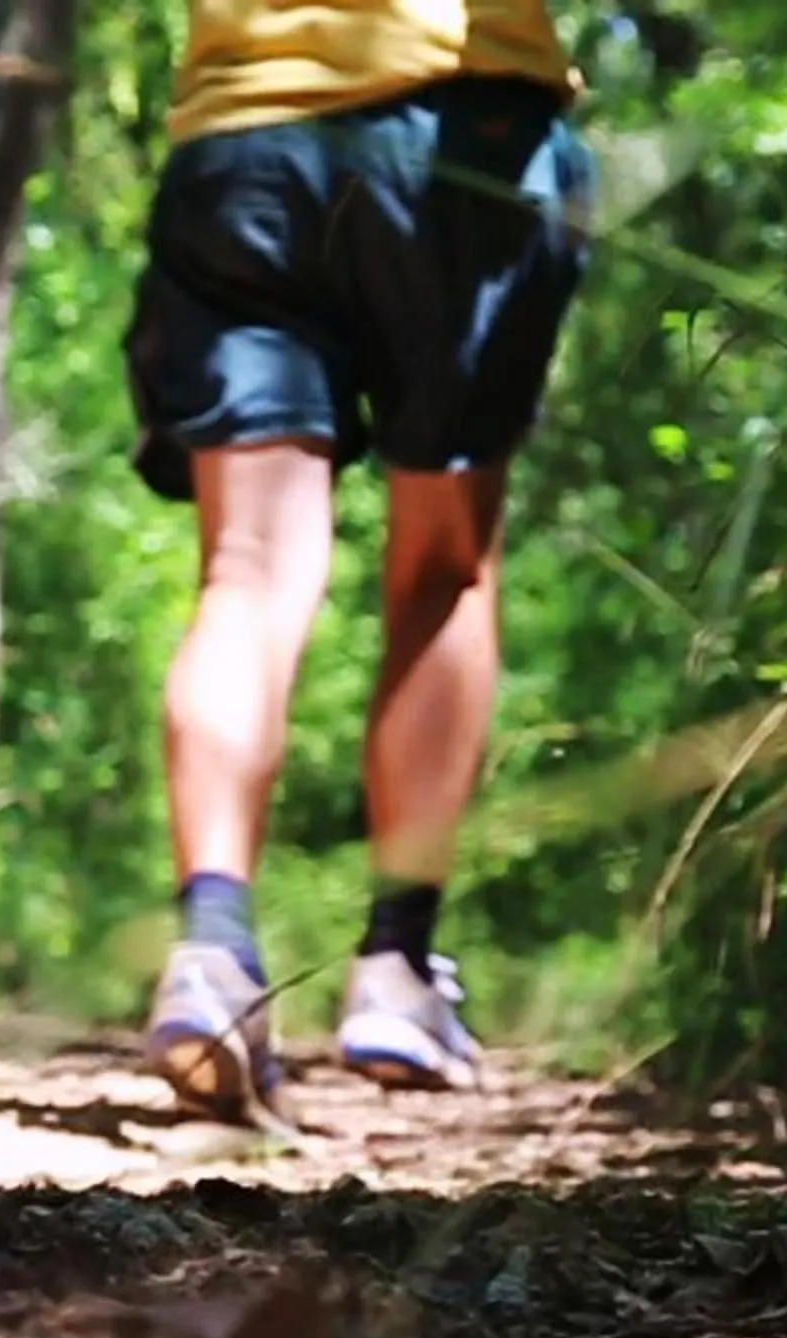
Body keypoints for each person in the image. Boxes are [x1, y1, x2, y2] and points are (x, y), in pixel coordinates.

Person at [123, 2, 596, 1124]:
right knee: (446, 566)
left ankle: (213, 951)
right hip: (462, 126)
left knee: (245, 568)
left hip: (245, 134)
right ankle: (394, 965)